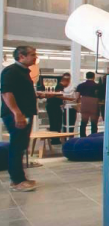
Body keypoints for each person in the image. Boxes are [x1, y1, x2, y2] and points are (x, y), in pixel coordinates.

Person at [1, 46, 40, 191]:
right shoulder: (11, 71)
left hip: (24, 114)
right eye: (32, 54)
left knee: (21, 145)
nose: (35, 57)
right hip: (17, 115)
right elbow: (6, 93)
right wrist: (17, 113)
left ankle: (20, 178)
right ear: (21, 56)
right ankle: (17, 181)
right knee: (17, 146)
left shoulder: (23, 72)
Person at [45, 73, 77, 145]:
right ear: (66, 81)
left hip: (51, 106)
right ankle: (55, 139)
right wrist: (70, 99)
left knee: (54, 123)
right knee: (56, 123)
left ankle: (54, 139)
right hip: (54, 106)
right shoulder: (59, 86)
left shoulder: (58, 86)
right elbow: (58, 96)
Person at [76, 71, 99, 137]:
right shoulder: (97, 86)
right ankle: (93, 136)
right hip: (94, 104)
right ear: (94, 77)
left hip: (84, 103)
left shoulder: (81, 85)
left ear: (86, 77)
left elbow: (77, 97)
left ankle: (82, 136)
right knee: (94, 123)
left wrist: (78, 104)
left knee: (83, 122)